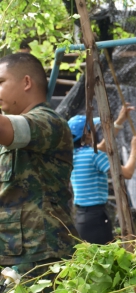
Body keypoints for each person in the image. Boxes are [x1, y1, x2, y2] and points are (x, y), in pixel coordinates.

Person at [0, 53, 79, 275]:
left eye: (0, 82)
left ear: (26, 82)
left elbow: (5, 128)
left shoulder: (49, 122)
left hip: (42, 256)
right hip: (13, 252)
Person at [68, 107, 136, 245]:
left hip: (81, 218)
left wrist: (120, 120)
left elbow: (101, 146)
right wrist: (134, 150)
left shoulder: (74, 154)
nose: (96, 131)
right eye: (93, 129)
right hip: (96, 218)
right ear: (88, 135)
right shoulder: (93, 155)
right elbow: (127, 173)